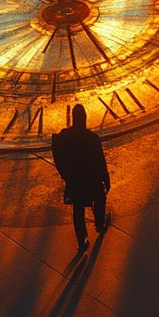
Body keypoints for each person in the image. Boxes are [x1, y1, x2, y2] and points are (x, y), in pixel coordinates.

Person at [51, 104, 112, 253]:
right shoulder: (92, 138)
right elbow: (100, 161)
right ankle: (99, 224)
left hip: (75, 178)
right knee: (99, 199)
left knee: (78, 210)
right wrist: (106, 178)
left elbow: (56, 149)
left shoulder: (65, 136)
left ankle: (81, 241)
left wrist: (65, 173)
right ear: (84, 118)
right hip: (92, 177)